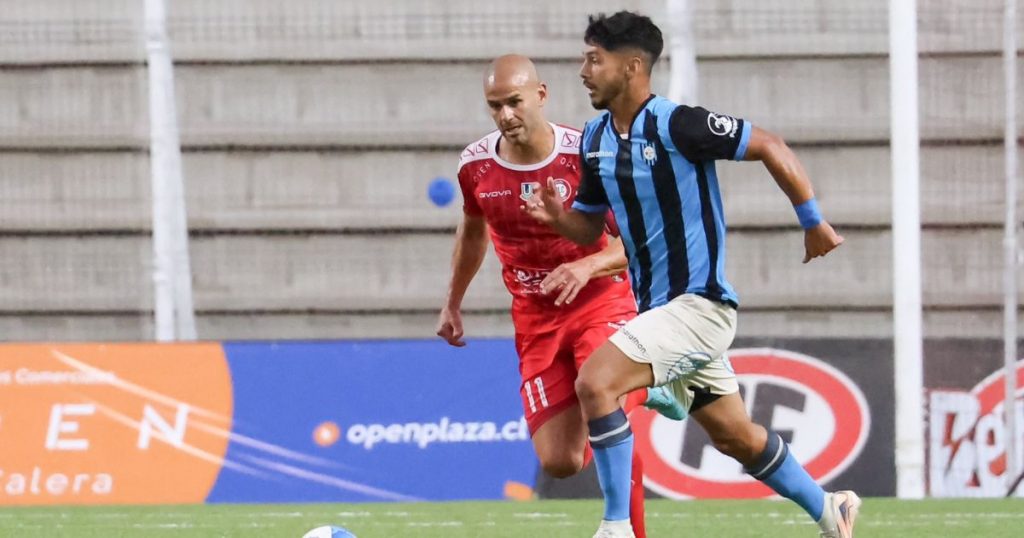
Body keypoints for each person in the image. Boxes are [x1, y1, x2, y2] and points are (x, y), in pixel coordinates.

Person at [522, 12, 859, 538]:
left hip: (701, 307)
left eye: (595, 59)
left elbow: (769, 144)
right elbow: (589, 229)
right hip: (659, 314)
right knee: (736, 438)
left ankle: (616, 528)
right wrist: (557, 217)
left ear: (632, 66)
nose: (583, 70)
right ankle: (828, 508)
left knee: (596, 381)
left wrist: (813, 222)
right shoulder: (594, 139)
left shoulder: (678, 124)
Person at [436, 54, 685, 538]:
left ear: (541, 95)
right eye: (495, 106)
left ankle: (627, 529)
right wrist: (453, 301)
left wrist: (587, 264)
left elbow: (641, 235)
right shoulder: (476, 166)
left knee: (602, 396)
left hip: (601, 300)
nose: (506, 114)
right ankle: (650, 387)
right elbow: (472, 233)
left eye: (514, 101)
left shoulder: (586, 155)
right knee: (561, 460)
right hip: (535, 317)